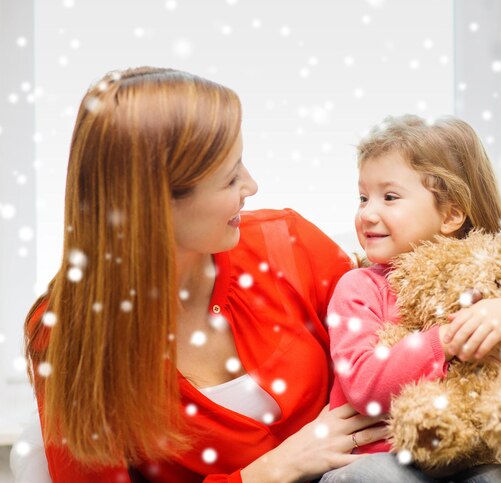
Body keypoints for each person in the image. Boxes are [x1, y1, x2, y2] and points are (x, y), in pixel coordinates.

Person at [19, 67, 389, 483]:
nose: (251, 185)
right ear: (155, 203)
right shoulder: (68, 334)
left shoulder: (289, 243)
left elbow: (404, 334)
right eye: (230, 178)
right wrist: (270, 471)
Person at [321, 115, 501, 482]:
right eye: (363, 197)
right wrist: (447, 339)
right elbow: (363, 387)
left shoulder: (492, 286)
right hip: (378, 460)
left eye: (389, 197)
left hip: (464, 463)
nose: (367, 213)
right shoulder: (358, 287)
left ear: (451, 214)